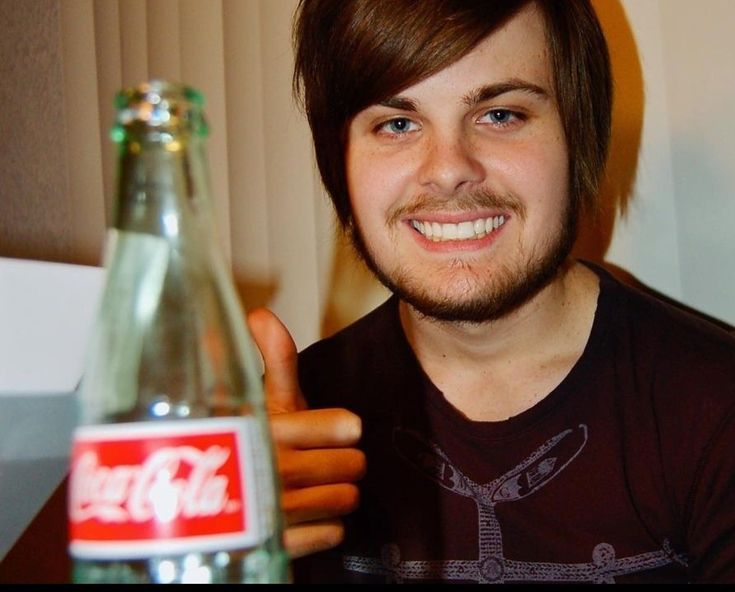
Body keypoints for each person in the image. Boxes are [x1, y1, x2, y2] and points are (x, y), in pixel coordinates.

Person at [245, 0, 735, 584]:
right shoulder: (287, 437)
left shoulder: (715, 411)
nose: (449, 169)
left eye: (500, 115)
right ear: (339, 162)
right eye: (397, 124)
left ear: (577, 136)